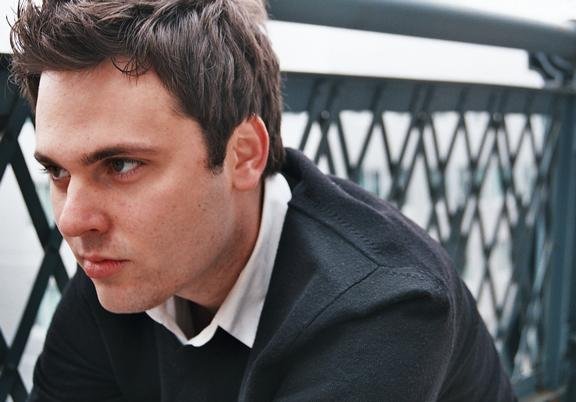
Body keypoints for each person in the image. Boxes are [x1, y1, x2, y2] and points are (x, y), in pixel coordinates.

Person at [10, 0, 516, 401]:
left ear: (244, 154)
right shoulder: (123, 265)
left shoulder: (381, 307)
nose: (73, 220)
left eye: (121, 165)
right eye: (57, 171)